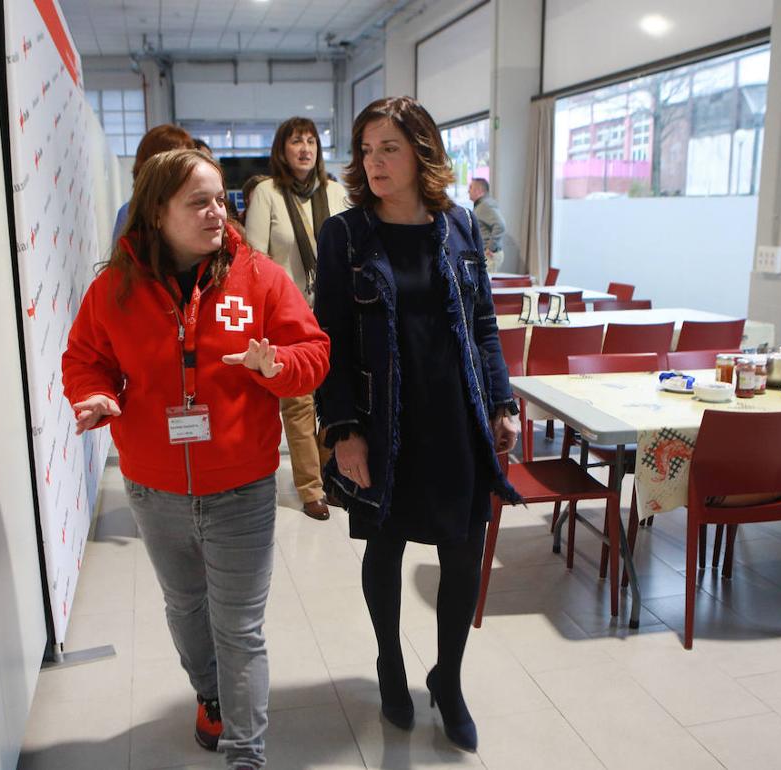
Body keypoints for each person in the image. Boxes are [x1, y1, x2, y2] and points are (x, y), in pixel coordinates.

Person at [63, 148, 330, 770]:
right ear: (156, 212)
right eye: (200, 202)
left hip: (241, 488)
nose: (220, 213)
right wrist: (92, 394)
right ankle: (210, 697)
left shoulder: (260, 277)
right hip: (154, 492)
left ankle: (245, 755)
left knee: (239, 630)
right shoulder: (114, 289)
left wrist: (278, 365)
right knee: (186, 613)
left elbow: (313, 352)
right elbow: (85, 358)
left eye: (222, 199)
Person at [313, 97, 521, 752]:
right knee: (387, 545)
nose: (374, 162)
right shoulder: (346, 235)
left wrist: (500, 401)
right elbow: (330, 342)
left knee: (462, 555)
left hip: (455, 418)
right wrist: (343, 429)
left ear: (422, 152)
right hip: (383, 421)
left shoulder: (457, 225)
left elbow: (483, 323)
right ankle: (390, 666)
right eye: (366, 149)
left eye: (389, 148)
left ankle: (448, 678)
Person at [244, 117, 349, 521]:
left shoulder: (337, 193)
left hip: (334, 313)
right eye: (295, 141)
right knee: (299, 404)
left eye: (310, 141)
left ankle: (329, 472)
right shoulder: (267, 194)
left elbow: (350, 252)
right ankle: (310, 488)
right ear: (282, 149)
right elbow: (255, 259)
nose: (304, 148)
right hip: (287, 318)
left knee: (333, 398)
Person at [112, 123, 195, 244]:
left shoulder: (198, 209)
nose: (185, 170)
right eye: (176, 163)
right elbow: (120, 260)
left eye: (187, 161)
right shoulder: (130, 214)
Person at [467, 177, 506, 273]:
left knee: (485, 286)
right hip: (485, 254)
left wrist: (491, 247)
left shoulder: (485, 205)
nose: (468, 191)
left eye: (471, 187)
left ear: (479, 190)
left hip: (489, 255)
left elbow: (500, 225)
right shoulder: (482, 205)